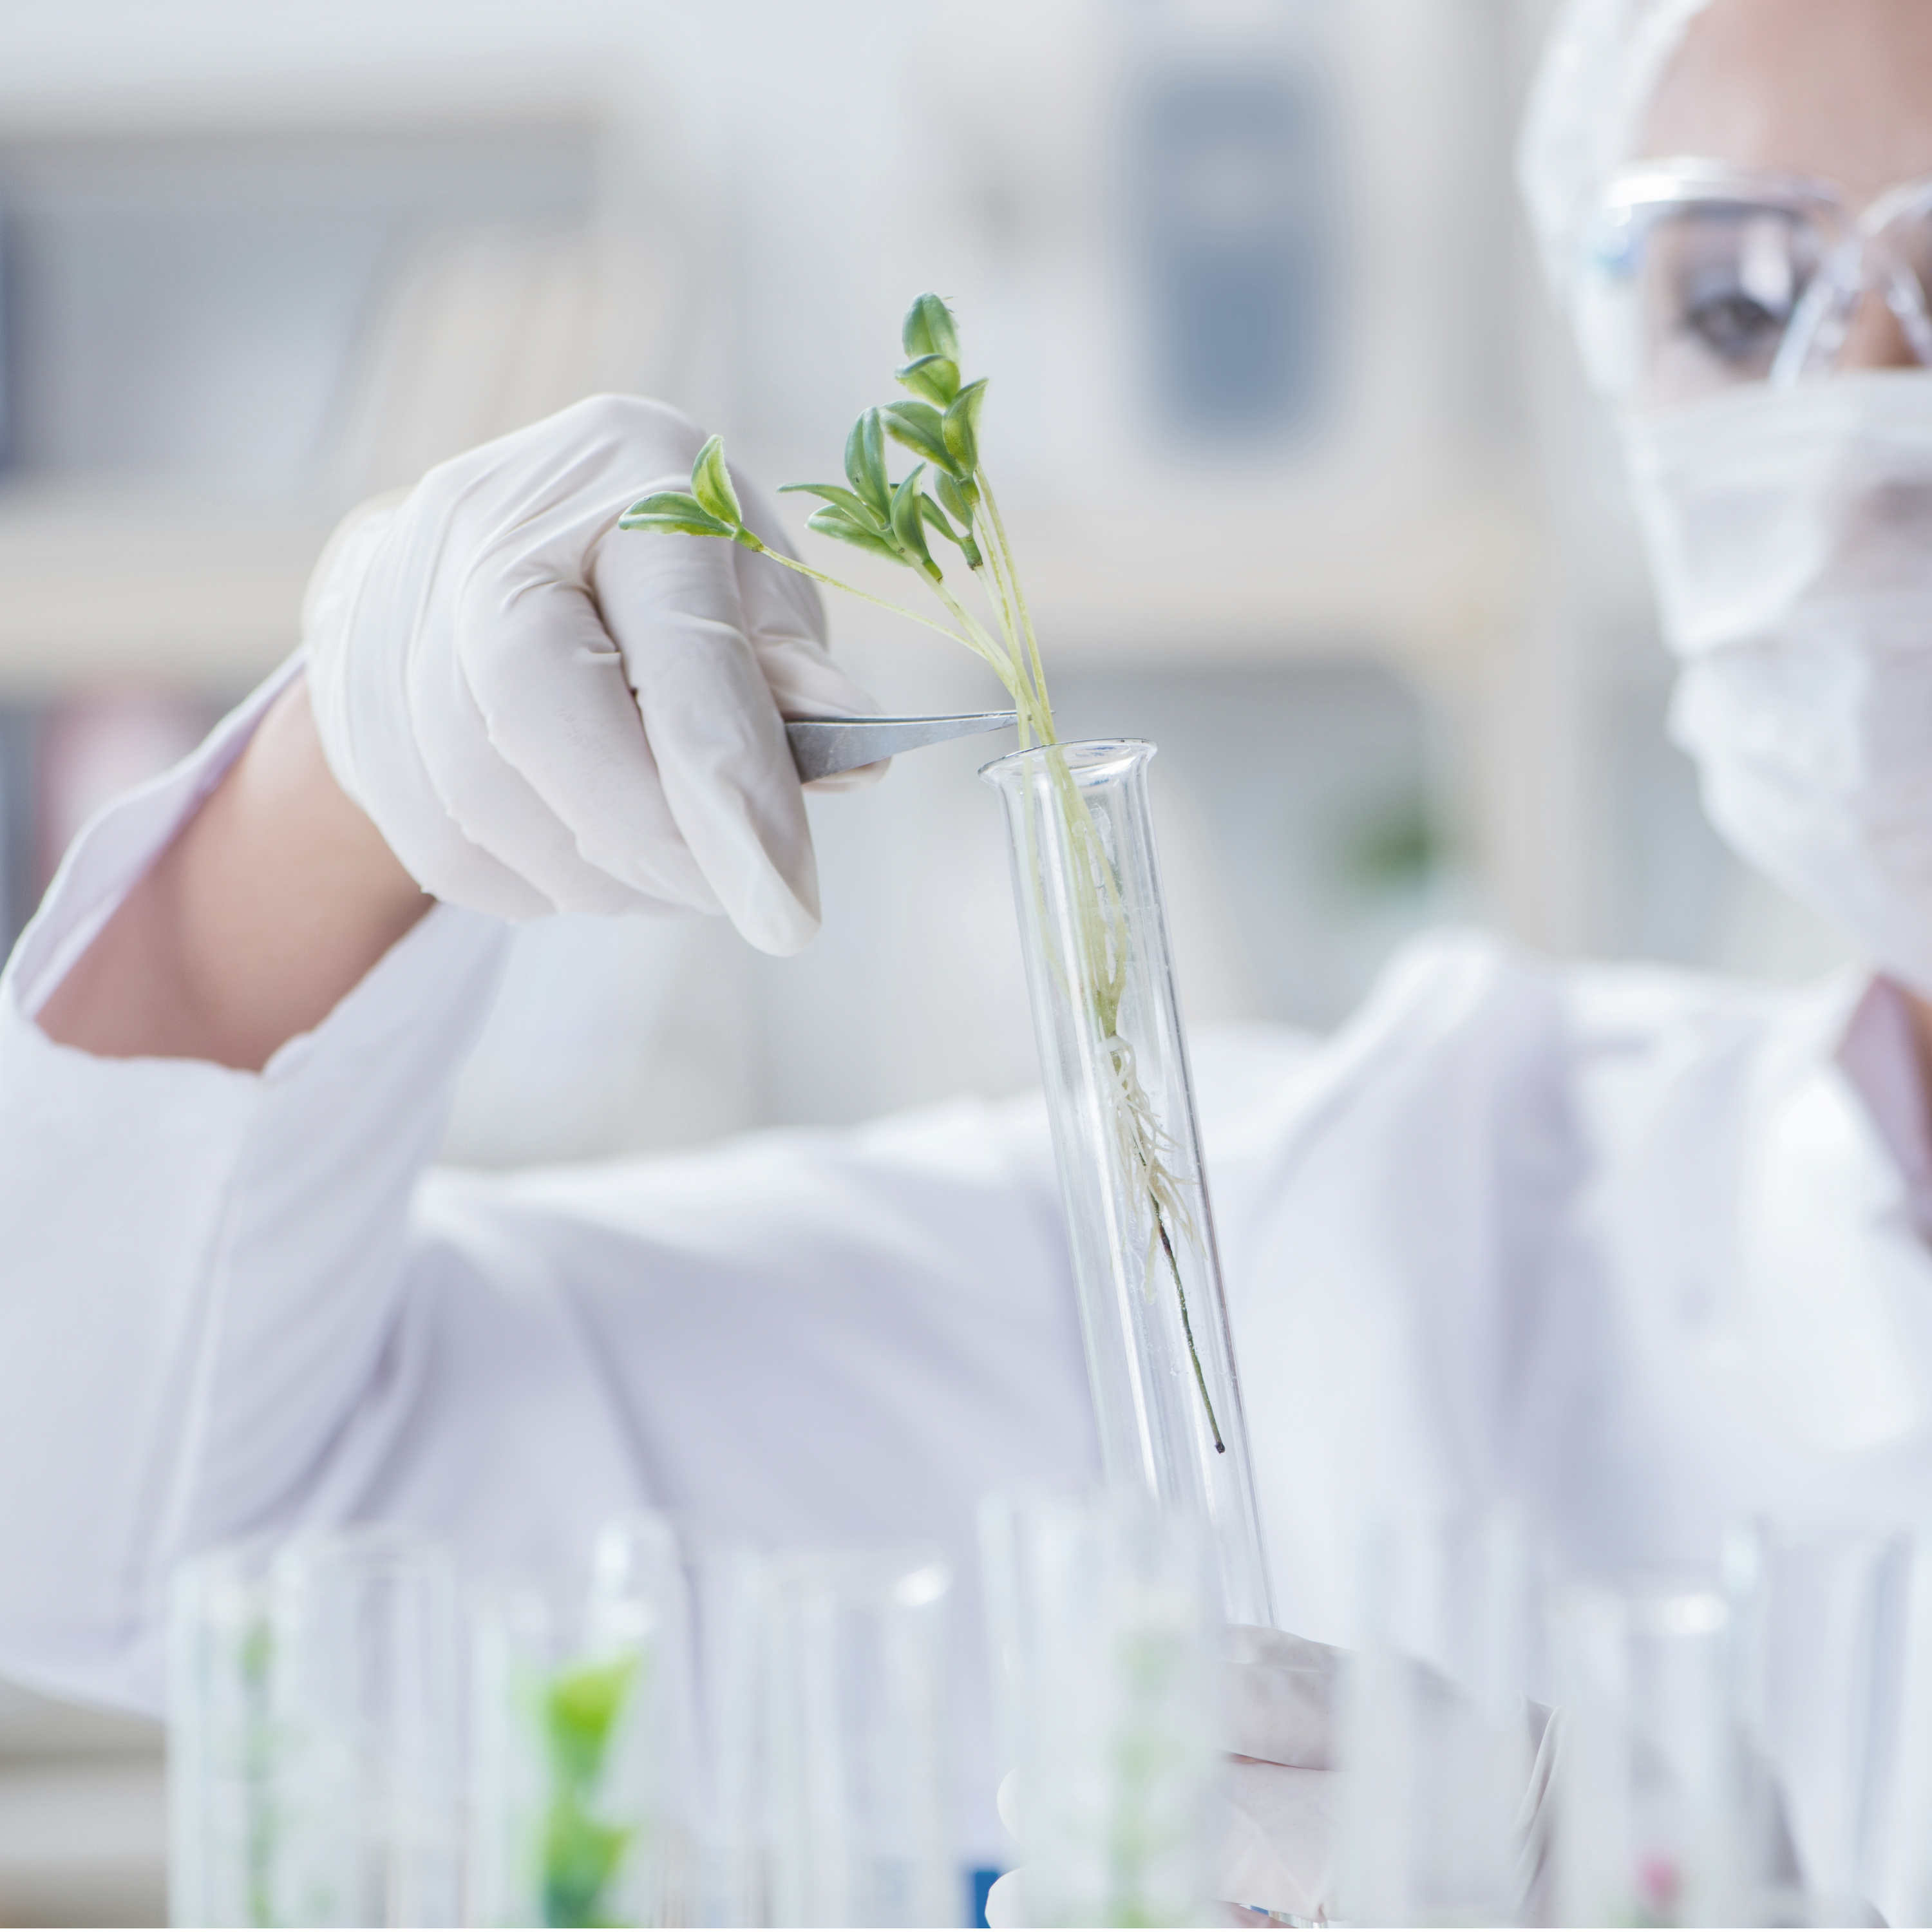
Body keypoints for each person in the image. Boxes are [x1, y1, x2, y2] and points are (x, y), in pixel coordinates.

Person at [5, 0, 1932, 1917]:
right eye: (1741, 306)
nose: (1849, 424)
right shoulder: (1379, 1226)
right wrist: (338, 797)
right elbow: (139, 1525)